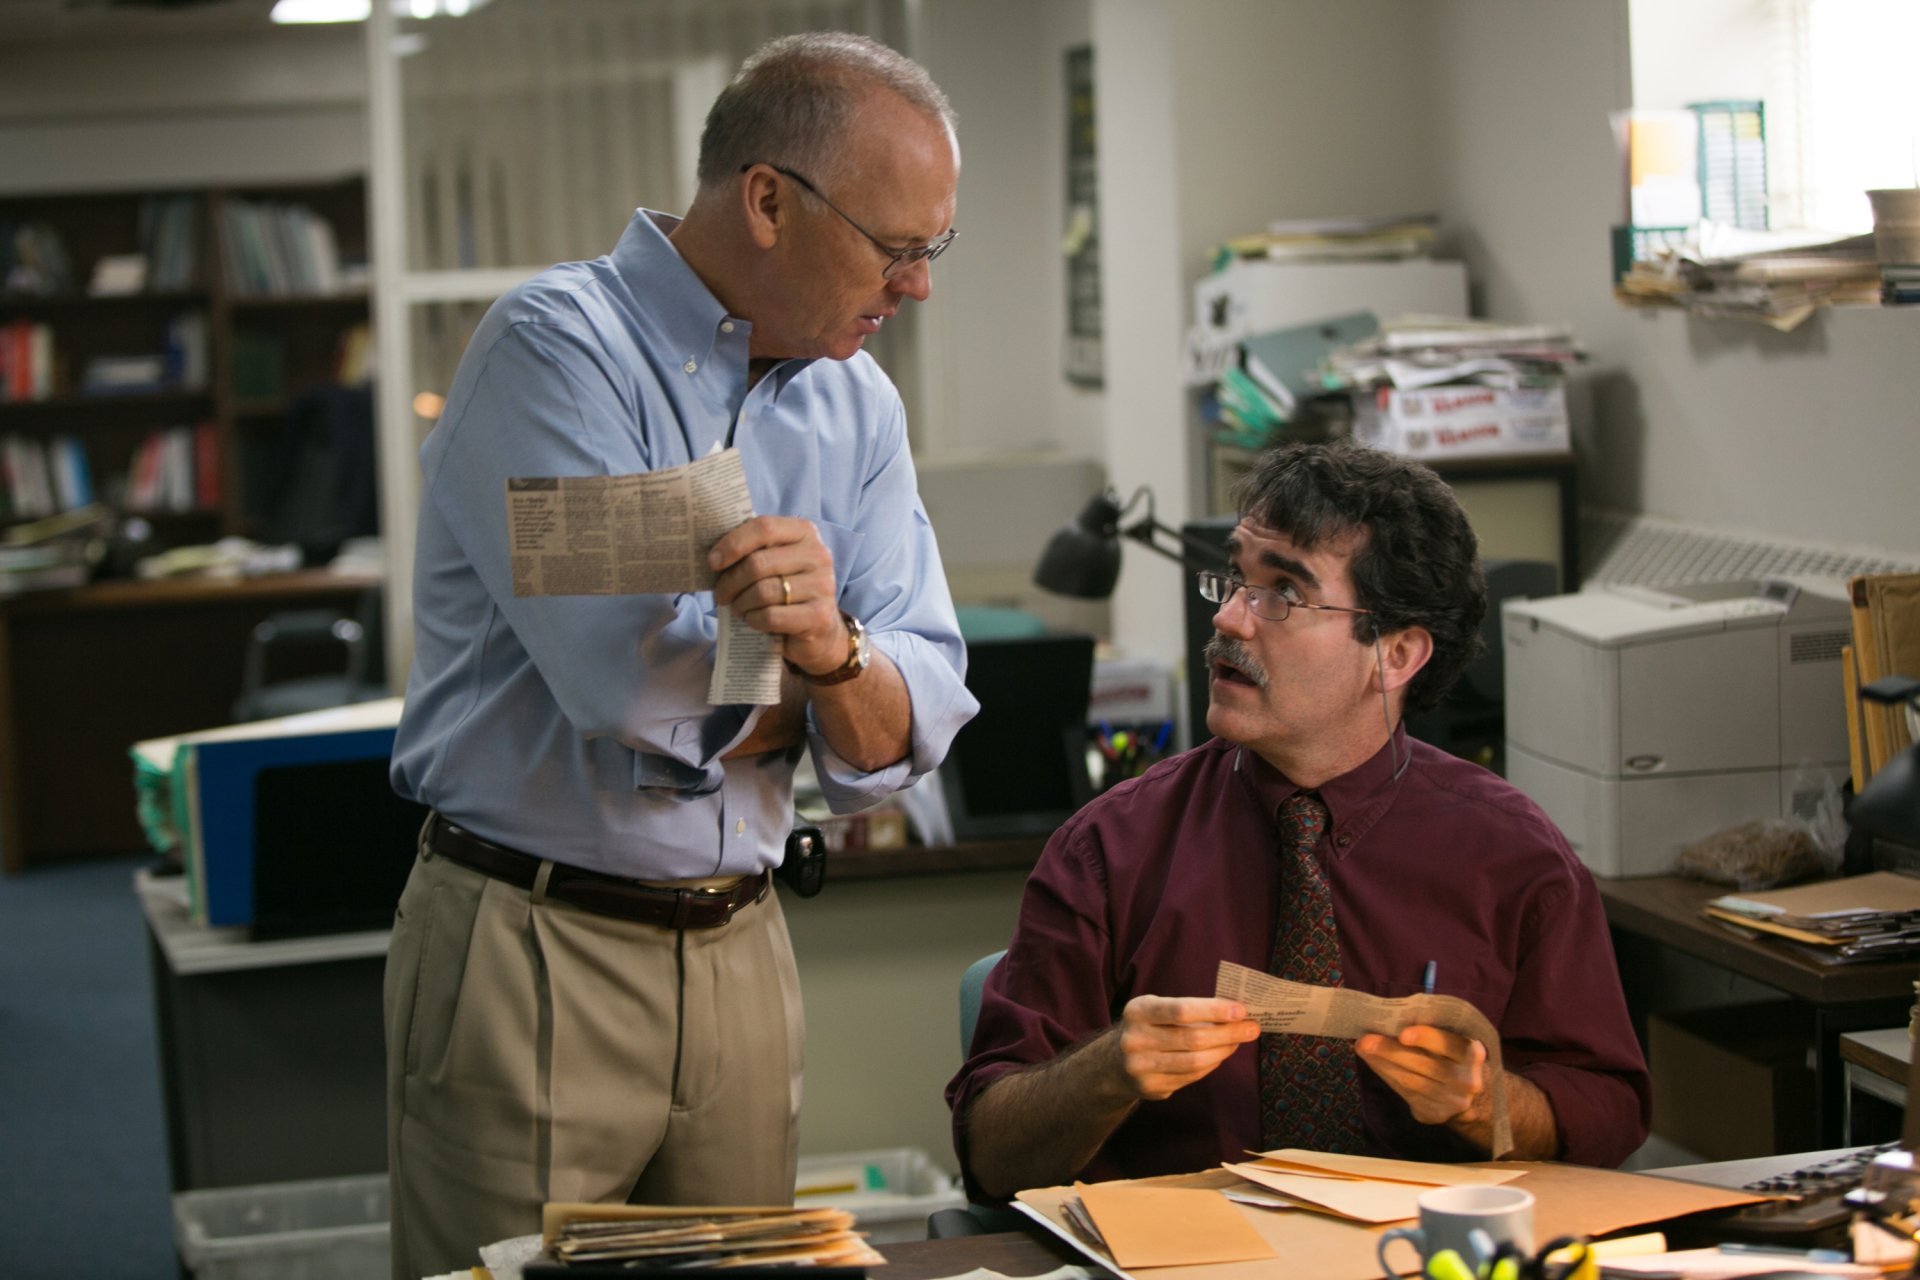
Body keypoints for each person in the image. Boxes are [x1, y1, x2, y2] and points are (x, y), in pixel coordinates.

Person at [384, 32, 977, 1279]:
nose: (917, 286)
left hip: (742, 941)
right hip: (538, 939)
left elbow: (918, 712)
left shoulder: (855, 401)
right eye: (897, 247)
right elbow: (628, 687)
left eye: (935, 249)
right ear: (768, 198)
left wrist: (831, 656)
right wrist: (824, 673)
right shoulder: (555, 351)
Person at [947, 441, 1650, 1202]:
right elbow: (990, 1156)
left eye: (1281, 593)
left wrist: (1486, 1106)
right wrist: (1109, 1069)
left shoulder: (1514, 858)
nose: (1228, 619)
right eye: (1237, 579)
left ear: (1398, 653)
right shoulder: (1108, 849)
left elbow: (1608, 1115)